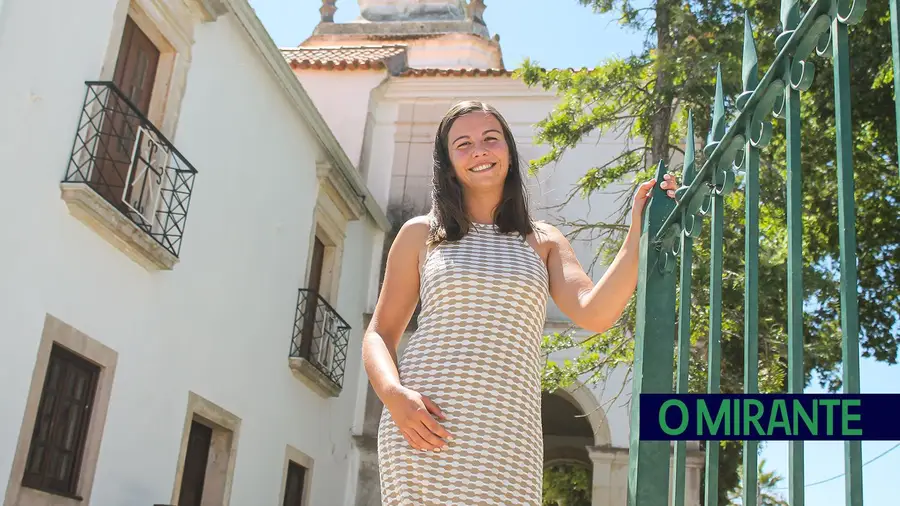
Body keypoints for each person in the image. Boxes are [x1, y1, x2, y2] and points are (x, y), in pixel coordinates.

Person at [362, 100, 678, 505]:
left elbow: (597, 312)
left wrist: (640, 229)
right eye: (464, 143)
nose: (479, 150)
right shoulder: (421, 234)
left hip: (510, 437)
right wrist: (394, 396)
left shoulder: (543, 240)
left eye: (490, 139)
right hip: (426, 424)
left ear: (509, 153)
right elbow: (381, 333)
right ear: (447, 162)